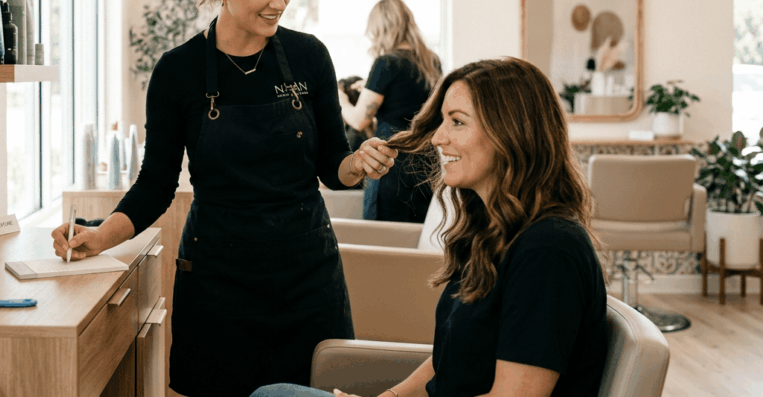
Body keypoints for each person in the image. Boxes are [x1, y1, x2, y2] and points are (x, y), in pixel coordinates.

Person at [51, 0, 398, 397]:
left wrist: (357, 163)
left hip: (305, 276)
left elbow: (333, 167)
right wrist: (99, 235)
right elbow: (156, 184)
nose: (279, 3)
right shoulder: (178, 72)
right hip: (219, 280)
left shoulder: (309, 56)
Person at [253, 57, 609, 397]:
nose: (438, 138)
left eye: (457, 121)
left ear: (512, 133)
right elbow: (447, 361)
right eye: (442, 121)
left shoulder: (548, 251)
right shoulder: (489, 233)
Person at [338, 0, 441, 222]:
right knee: (416, 236)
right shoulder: (431, 62)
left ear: (380, 28)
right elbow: (406, 101)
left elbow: (358, 121)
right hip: (427, 163)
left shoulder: (386, 63)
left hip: (390, 162)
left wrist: (341, 100)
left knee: (383, 238)